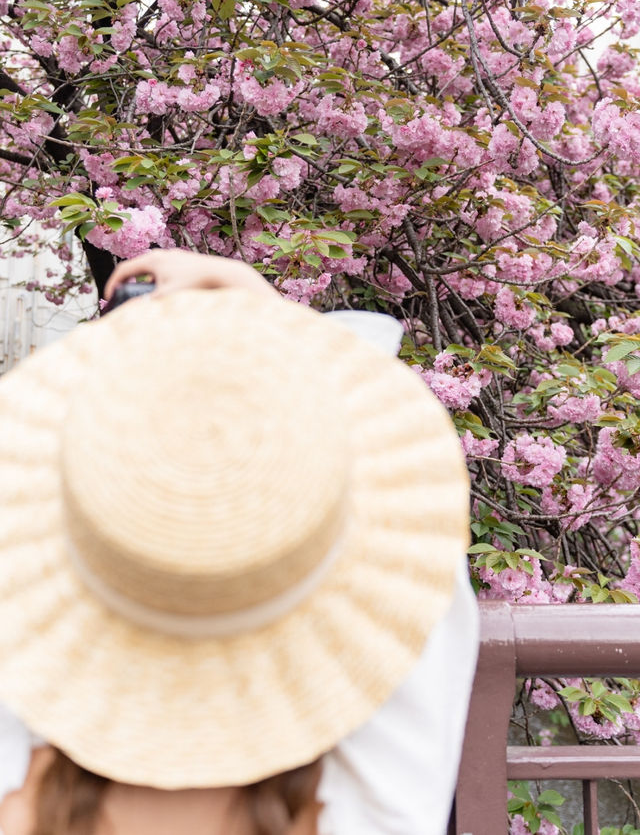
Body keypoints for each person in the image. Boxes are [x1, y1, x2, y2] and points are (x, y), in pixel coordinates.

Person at [0, 250, 478, 835]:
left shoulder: (20, 803)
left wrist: (117, 415)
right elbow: (412, 557)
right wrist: (271, 337)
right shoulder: (360, 811)